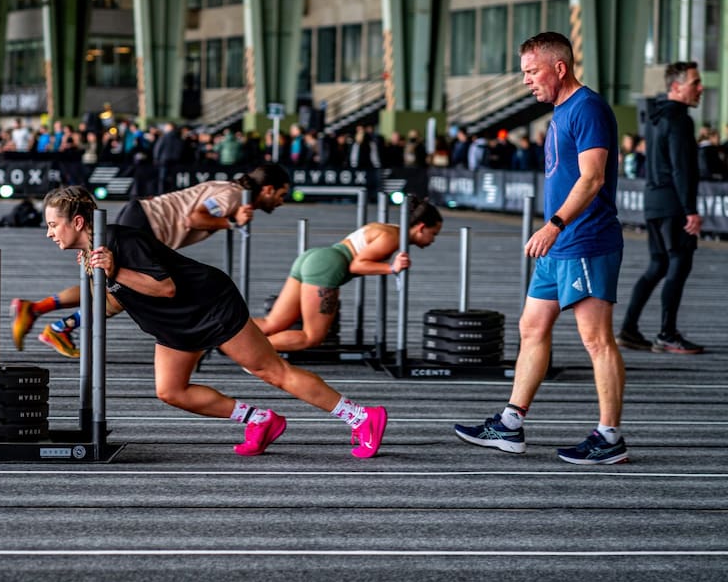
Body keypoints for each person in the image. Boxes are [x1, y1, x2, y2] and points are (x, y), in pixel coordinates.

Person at [41, 185, 388, 459]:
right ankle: (259, 420)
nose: (49, 233)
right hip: (173, 324)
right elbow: (119, 296)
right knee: (171, 391)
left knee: (271, 371)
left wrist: (115, 271)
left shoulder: (121, 241)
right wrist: (70, 317)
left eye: (53, 225)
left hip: (207, 304)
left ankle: (360, 416)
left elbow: (164, 288)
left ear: (78, 222)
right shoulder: (91, 254)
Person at [453, 32, 626, 465]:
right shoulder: (560, 111)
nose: (527, 81)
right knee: (532, 327)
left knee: (597, 340)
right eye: (525, 73)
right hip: (560, 245)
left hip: (585, 239)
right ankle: (510, 424)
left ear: (560, 68)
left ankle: (609, 438)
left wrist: (553, 225)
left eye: (532, 71)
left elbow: (593, 178)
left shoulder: (587, 108)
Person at [10, 164, 291, 358]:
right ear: (266, 189)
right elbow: (194, 218)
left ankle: (36, 309)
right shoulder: (231, 196)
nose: (280, 202)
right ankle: (61, 327)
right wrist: (232, 221)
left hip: (142, 215)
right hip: (146, 224)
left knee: (105, 282)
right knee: (121, 293)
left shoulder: (228, 187)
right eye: (281, 195)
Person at [254, 195, 443, 352]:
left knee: (272, 323)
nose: (433, 240)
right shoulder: (392, 237)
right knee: (312, 336)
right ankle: (253, 352)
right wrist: (392, 268)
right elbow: (357, 265)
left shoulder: (387, 229)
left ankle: (226, 336)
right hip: (327, 266)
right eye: (433, 233)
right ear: (421, 228)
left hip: (314, 258)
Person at [616, 61, 705, 354]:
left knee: (658, 265)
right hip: (673, 204)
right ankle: (667, 333)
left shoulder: (654, 118)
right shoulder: (680, 119)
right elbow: (682, 169)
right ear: (676, 87)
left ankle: (629, 329)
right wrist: (690, 209)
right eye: (695, 83)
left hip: (653, 201)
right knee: (679, 262)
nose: (700, 88)